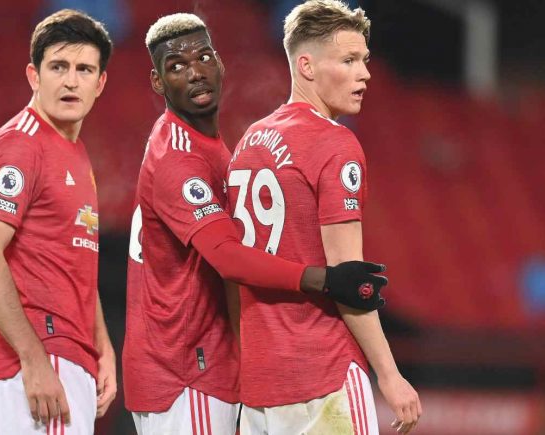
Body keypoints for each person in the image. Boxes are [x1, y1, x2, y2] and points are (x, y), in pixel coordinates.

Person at [123, 13, 389, 435]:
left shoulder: (234, 143)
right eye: (177, 66)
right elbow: (229, 258)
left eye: (204, 57)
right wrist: (326, 280)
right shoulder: (178, 157)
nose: (196, 73)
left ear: (220, 62)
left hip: (227, 367)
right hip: (187, 369)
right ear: (157, 82)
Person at [226, 1, 422, 434]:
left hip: (260, 383)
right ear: (307, 66)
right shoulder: (335, 144)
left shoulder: (250, 139)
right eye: (348, 60)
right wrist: (390, 375)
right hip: (324, 374)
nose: (364, 74)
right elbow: (348, 279)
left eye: (364, 60)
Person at [0, 9, 116, 434]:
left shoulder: (74, 151)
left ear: (100, 83)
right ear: (34, 75)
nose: (71, 81)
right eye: (58, 67)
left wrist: (101, 346)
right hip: (41, 357)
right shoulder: (21, 144)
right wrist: (32, 359)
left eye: (84, 69)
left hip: (68, 354)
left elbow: (74, 261)